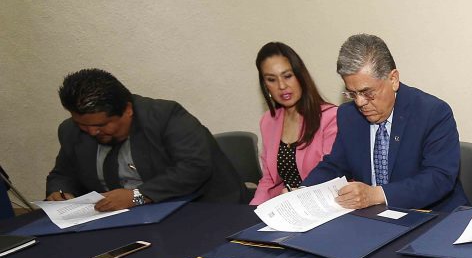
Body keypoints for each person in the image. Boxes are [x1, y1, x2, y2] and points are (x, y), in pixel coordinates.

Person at [304, 34, 467, 211]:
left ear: (393, 79)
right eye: (352, 93)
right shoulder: (349, 115)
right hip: (376, 217)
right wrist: (302, 192)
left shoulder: (432, 112)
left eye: (367, 93)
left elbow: (439, 178)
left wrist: (376, 195)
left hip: (433, 214)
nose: (360, 102)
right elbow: (335, 165)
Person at [46, 69, 245, 210]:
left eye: (101, 125)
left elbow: (194, 167)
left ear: (127, 110)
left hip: (195, 211)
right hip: (120, 221)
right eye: (82, 124)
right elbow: (63, 174)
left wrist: (138, 196)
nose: (91, 132)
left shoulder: (166, 117)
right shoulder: (71, 131)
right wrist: (60, 192)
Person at [251, 42, 339, 205]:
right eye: (271, 79)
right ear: (265, 85)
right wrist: (253, 211)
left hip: (324, 205)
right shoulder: (268, 121)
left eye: (287, 76)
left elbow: (332, 175)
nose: (282, 86)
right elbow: (268, 180)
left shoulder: (330, 117)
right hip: (286, 207)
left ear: (300, 76)